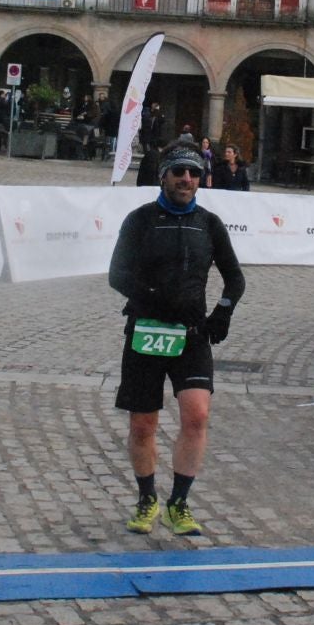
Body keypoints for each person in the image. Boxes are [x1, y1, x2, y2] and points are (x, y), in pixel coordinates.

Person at [107, 146, 246, 537]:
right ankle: (147, 498)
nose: (187, 179)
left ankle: (178, 504)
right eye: (180, 172)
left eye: (195, 174)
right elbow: (117, 275)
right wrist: (157, 298)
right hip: (147, 332)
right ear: (164, 176)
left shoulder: (209, 223)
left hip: (192, 334)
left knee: (197, 415)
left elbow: (235, 278)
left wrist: (222, 313)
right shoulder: (141, 220)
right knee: (143, 425)